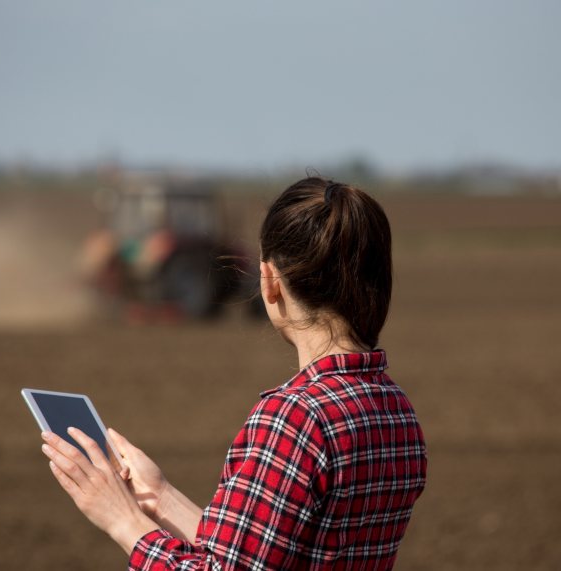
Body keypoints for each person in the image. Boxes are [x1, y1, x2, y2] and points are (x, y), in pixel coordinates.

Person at [40, 177, 428, 569]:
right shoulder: (396, 408)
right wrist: (160, 498)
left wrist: (121, 519)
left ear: (271, 281)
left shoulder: (295, 418)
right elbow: (262, 554)